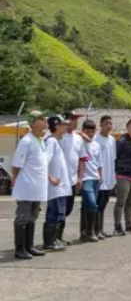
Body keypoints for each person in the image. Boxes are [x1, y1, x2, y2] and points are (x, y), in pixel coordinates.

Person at [11, 111, 48, 260]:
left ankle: (29, 246)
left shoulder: (40, 140)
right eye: (41, 119)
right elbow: (16, 165)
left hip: (36, 188)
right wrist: (16, 181)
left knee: (32, 217)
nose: (44, 122)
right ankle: (20, 249)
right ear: (32, 123)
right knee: (22, 217)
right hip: (26, 187)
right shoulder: (26, 141)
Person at [43, 115, 71, 252]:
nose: (66, 126)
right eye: (63, 124)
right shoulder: (51, 142)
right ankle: (49, 242)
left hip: (60, 186)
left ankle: (53, 240)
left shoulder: (56, 141)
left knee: (57, 213)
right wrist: (50, 177)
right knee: (54, 213)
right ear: (56, 126)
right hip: (55, 186)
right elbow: (45, 162)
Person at [58, 110, 83, 244]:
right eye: (73, 119)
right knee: (58, 210)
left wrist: (79, 177)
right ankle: (54, 238)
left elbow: (80, 159)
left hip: (72, 180)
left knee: (68, 209)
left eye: (76, 119)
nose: (75, 122)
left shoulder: (78, 138)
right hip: (59, 180)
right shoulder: (59, 137)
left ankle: (58, 236)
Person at [78, 120, 102, 242]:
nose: (90, 134)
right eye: (87, 131)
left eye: (92, 131)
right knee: (92, 205)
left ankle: (85, 232)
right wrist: (81, 134)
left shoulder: (96, 145)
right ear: (83, 130)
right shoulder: (79, 141)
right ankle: (89, 231)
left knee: (87, 206)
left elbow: (98, 163)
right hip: (85, 178)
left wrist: (100, 176)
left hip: (95, 178)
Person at [94, 115, 116, 240]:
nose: (109, 126)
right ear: (101, 125)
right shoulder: (96, 138)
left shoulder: (112, 140)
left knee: (103, 204)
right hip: (99, 177)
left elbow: (113, 159)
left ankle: (100, 229)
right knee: (97, 204)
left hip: (108, 177)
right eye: (106, 123)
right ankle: (95, 230)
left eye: (110, 124)